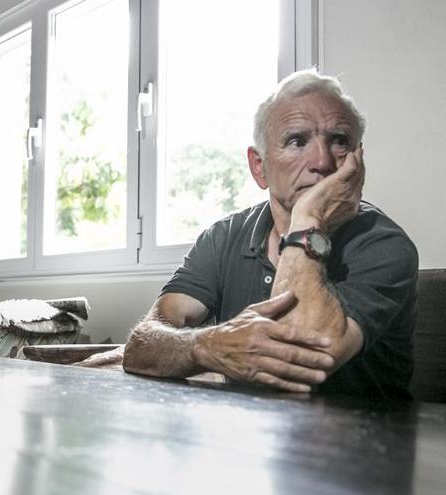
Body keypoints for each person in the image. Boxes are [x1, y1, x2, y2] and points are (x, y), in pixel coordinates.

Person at [82, 70, 418, 400]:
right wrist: (208, 346)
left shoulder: (385, 245)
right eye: (297, 140)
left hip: (362, 448)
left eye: (339, 141)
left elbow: (295, 357)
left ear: (357, 160)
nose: (322, 161)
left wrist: (307, 218)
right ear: (259, 167)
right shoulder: (223, 236)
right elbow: (142, 344)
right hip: (248, 442)